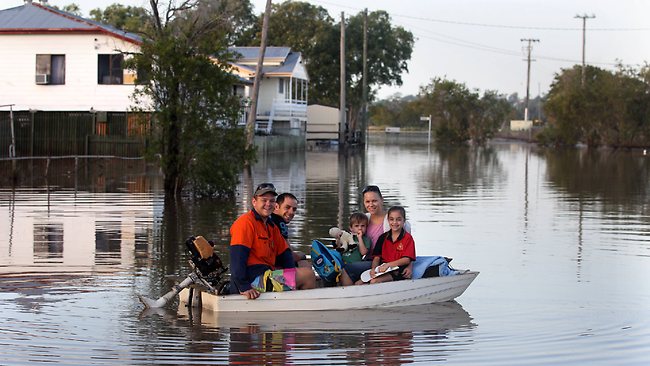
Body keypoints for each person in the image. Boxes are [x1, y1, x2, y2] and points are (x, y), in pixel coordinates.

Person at [229, 183, 316, 299]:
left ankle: (291, 301)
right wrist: (244, 287)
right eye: (264, 200)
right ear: (254, 202)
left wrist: (291, 275)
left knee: (304, 267)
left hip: (266, 273)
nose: (268, 204)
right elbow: (237, 260)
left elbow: (285, 255)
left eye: (271, 201)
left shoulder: (271, 226)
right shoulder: (244, 223)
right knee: (308, 275)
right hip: (253, 279)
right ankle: (303, 308)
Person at [364, 206, 415, 284]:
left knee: (374, 281)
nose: (394, 222)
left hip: (398, 270)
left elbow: (407, 259)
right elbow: (376, 258)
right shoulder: (382, 237)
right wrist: (374, 269)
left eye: (398, 219)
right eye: (391, 219)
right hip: (382, 269)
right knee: (359, 283)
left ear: (404, 221)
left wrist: (389, 265)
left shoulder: (407, 238)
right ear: (387, 220)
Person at [361, 185, 412, 252]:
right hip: (368, 260)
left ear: (382, 200)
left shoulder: (393, 221)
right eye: (367, 201)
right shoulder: (363, 220)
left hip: (388, 260)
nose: (371, 205)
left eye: (374, 201)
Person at [270, 192, 309, 267]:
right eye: (287, 207)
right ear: (276, 206)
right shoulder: (280, 223)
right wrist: (302, 255)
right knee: (305, 266)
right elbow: (290, 255)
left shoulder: (269, 219)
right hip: (272, 270)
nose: (291, 212)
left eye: (294, 209)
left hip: (264, 266)